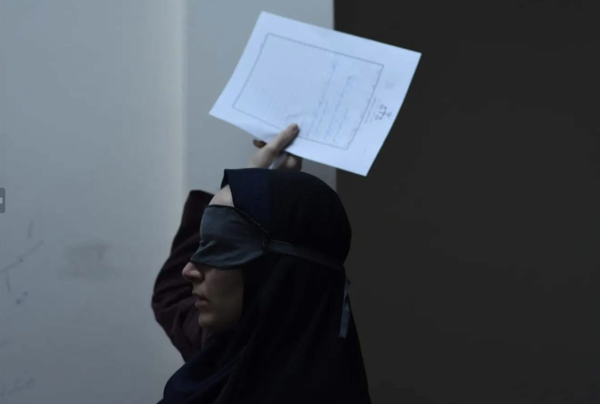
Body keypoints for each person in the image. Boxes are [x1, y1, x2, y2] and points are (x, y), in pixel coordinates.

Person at [151, 124, 371, 403]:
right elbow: (172, 297)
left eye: (220, 245)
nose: (188, 270)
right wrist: (254, 184)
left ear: (277, 273)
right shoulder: (228, 352)